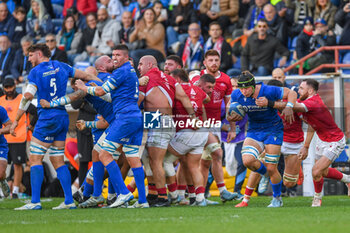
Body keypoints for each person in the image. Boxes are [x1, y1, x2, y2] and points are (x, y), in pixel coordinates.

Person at [12, 43, 99, 210]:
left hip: (47, 117)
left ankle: (35, 202)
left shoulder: (36, 72)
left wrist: (16, 118)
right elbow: (84, 75)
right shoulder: (61, 66)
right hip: (62, 117)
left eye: (30, 56)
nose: (29, 59)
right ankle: (68, 201)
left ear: (38, 54)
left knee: (35, 158)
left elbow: (28, 95)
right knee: (57, 159)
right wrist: (100, 81)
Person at [75, 45, 148, 208]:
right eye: (112, 55)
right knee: (133, 159)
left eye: (117, 55)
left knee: (103, 155)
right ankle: (142, 201)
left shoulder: (120, 72)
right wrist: (92, 90)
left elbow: (101, 92)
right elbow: (110, 97)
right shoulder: (130, 72)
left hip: (124, 119)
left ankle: (121, 193)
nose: (114, 58)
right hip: (135, 117)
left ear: (125, 56)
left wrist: (84, 88)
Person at [228, 70, 297, 207]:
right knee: (247, 161)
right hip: (254, 130)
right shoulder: (236, 94)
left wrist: (289, 106)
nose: (244, 91)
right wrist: (232, 117)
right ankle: (265, 174)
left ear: (254, 86)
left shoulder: (268, 90)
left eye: (247, 88)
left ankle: (277, 198)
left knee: (272, 167)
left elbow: (292, 93)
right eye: (241, 88)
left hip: (273, 130)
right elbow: (230, 111)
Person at [138, 55, 196, 206]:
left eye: (140, 64)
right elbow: (183, 97)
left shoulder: (146, 79)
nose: (138, 68)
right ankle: (153, 194)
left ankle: (163, 197)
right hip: (164, 119)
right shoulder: (170, 79)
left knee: (156, 161)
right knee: (147, 158)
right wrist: (193, 117)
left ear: (149, 64)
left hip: (157, 118)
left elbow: (136, 101)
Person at [293, 79, 350, 207]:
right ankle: (347, 180)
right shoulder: (305, 102)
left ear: (310, 90)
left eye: (301, 88)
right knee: (322, 172)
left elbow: (293, 107)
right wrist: (306, 146)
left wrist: (273, 103)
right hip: (321, 140)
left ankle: (317, 199)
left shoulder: (314, 102)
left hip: (335, 141)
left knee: (316, 171)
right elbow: (312, 125)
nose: (298, 90)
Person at [191, 50, 238, 202]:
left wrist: (232, 128)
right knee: (213, 155)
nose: (214, 63)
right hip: (198, 124)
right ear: (204, 62)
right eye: (210, 60)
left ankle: (201, 195)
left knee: (208, 160)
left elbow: (229, 106)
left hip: (215, 124)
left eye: (216, 60)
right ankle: (195, 194)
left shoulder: (225, 79)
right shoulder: (197, 79)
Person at [167, 68, 211, 206]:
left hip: (186, 131)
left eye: (172, 78)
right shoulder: (197, 89)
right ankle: (199, 199)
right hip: (201, 132)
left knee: (162, 160)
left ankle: (173, 195)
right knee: (193, 167)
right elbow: (207, 99)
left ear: (178, 79)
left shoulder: (175, 90)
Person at [0, 78, 38, 199]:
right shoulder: (1, 101)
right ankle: (3, 190)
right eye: (6, 88)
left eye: (10, 87)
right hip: (7, 138)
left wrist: (30, 126)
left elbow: (36, 111)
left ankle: (15, 191)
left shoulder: (22, 99)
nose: (9, 90)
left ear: (15, 86)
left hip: (18, 137)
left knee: (16, 165)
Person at [221, 77, 247, 200]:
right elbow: (212, 118)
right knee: (212, 165)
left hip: (240, 138)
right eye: (233, 86)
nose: (235, 89)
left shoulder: (247, 101)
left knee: (243, 162)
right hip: (222, 138)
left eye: (238, 86)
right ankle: (205, 192)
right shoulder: (222, 101)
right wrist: (222, 126)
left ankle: (237, 191)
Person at [0, 105, 12, 198]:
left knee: (0, 173)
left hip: (1, 146)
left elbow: (10, 127)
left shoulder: (1, 110)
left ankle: (3, 180)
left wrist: (0, 131)